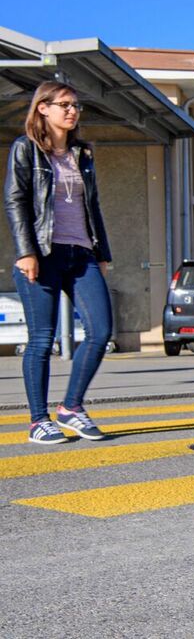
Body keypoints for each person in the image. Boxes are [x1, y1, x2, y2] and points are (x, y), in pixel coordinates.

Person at [4, 81, 113, 444]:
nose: (72, 111)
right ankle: (38, 420)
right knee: (41, 339)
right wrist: (26, 252)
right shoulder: (26, 150)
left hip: (82, 253)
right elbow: (16, 202)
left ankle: (71, 408)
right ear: (42, 109)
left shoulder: (83, 153)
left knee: (100, 331)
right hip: (43, 254)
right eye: (64, 104)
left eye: (75, 105)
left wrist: (103, 254)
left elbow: (93, 206)